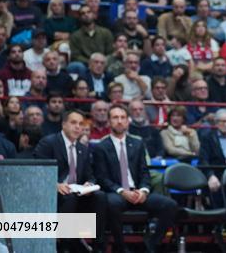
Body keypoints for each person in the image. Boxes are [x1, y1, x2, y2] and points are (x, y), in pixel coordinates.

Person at [92, 104, 179, 252]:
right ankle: (121, 246)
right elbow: (102, 178)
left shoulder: (137, 144)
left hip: (138, 193)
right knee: (111, 203)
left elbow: (145, 172)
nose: (119, 121)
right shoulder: (101, 147)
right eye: (115, 117)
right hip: (117, 194)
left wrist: (144, 191)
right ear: (109, 122)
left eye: (122, 118)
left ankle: (152, 244)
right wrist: (122, 191)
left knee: (170, 205)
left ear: (128, 121)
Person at [33, 109, 107, 253]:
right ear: (64, 125)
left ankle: (99, 246)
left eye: (80, 124)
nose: (77, 127)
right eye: (73, 123)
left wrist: (89, 184)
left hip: (77, 193)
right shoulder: (49, 143)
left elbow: (90, 175)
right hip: (55, 194)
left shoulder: (82, 149)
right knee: (69, 198)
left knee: (100, 196)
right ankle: (65, 246)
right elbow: (37, 172)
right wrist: (54, 184)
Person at [199, 108, 226, 203]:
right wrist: (210, 176)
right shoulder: (207, 138)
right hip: (215, 175)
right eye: (223, 121)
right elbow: (203, 160)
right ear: (216, 123)